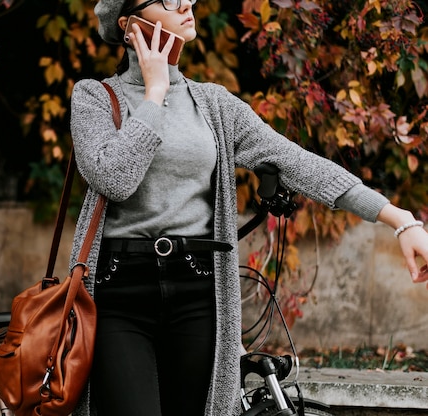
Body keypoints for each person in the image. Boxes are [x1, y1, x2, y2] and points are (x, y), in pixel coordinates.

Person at [67, 0, 428, 415]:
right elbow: (115, 178)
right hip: (119, 292)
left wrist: (400, 220)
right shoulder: (95, 97)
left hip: (198, 291)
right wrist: (155, 92)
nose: (187, 4)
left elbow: (301, 164)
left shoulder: (215, 105)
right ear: (131, 23)